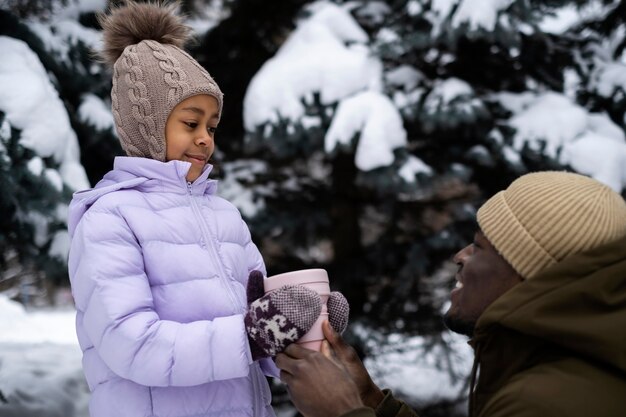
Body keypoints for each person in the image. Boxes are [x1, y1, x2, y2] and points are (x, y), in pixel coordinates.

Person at [67, 3, 348, 417]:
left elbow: (256, 342)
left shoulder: (224, 216)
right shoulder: (109, 218)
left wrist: (300, 330)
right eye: (190, 123)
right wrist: (251, 335)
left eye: (211, 127)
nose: (204, 139)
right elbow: (132, 344)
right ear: (147, 124)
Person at [276, 171, 626, 417]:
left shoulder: (541, 401)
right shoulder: (557, 362)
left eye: (479, 246)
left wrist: (342, 413)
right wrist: (368, 401)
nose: (460, 256)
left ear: (529, 270)